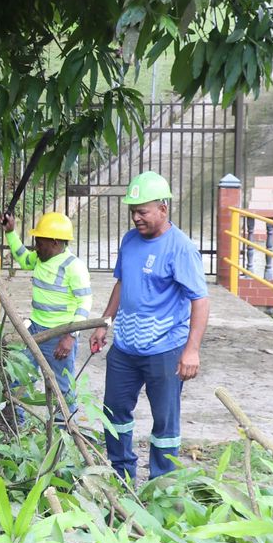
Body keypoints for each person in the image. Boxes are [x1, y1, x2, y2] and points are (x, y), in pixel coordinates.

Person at [89, 171, 209, 482]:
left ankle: (162, 484)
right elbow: (121, 283)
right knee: (114, 412)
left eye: (143, 211)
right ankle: (121, 474)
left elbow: (200, 300)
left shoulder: (180, 248)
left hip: (165, 350)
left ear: (163, 209)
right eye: (133, 211)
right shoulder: (129, 241)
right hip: (125, 348)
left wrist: (191, 350)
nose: (136, 218)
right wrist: (105, 322)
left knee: (165, 421)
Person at [0, 209, 92, 411]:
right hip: (34, 330)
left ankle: (64, 435)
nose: (36, 246)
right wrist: (10, 232)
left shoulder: (73, 267)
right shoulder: (40, 259)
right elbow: (23, 259)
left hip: (59, 336)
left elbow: (85, 303)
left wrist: (70, 336)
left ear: (55, 243)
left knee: (62, 390)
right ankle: (18, 426)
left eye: (40, 242)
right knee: (19, 379)